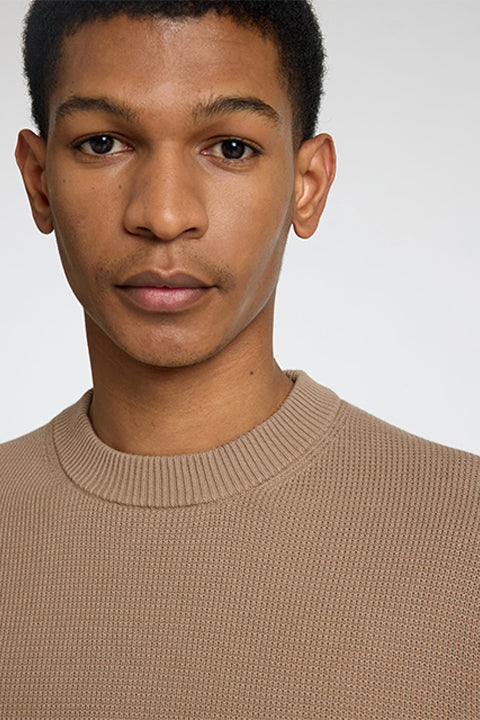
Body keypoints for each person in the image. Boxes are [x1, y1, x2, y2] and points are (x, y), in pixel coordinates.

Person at [0, 0, 478, 717]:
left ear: (307, 185)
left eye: (230, 148)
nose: (164, 215)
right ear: (39, 180)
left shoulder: (464, 535)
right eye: (103, 143)